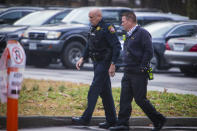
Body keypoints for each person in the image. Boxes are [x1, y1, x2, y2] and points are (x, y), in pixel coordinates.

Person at [109, 11, 166, 131]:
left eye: (123, 21)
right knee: (124, 98)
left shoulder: (143, 33)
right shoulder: (128, 34)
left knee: (140, 99)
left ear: (130, 21)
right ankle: (122, 124)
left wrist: (142, 67)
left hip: (138, 72)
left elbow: (149, 51)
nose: (122, 23)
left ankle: (158, 119)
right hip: (128, 71)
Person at [72, 8, 121, 129]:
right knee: (105, 93)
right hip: (96, 62)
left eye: (91, 17)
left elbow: (117, 47)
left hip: (104, 63)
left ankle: (85, 119)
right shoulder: (93, 27)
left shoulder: (108, 28)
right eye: (89, 17)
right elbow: (89, 43)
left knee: (94, 89)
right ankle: (112, 121)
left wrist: (113, 64)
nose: (89, 20)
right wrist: (82, 57)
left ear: (99, 16)